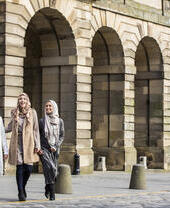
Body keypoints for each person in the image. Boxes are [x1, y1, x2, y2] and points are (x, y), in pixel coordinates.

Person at [6, 93, 40, 201]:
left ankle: (23, 187)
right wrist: (2, 129)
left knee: (29, 168)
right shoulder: (15, 112)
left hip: (29, 143)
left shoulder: (32, 112)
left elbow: (35, 129)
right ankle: (20, 192)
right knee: (20, 167)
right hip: (17, 142)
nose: (22, 100)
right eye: (20, 99)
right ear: (18, 101)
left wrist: (37, 144)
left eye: (24, 99)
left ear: (27, 101)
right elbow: (10, 126)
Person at [39, 100, 64, 201]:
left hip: (55, 150)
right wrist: (38, 147)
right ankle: (52, 194)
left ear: (54, 107)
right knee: (51, 167)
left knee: (51, 170)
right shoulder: (42, 121)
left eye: (50, 106)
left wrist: (56, 146)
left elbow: (61, 136)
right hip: (44, 148)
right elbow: (38, 135)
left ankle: (47, 187)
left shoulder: (60, 121)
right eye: (46, 106)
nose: (48, 108)